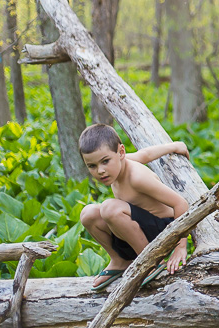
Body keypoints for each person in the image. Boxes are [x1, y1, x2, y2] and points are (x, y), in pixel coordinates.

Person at [79, 124, 191, 291]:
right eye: (92, 166)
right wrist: (173, 146)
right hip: (139, 232)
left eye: (105, 161)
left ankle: (150, 262)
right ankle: (120, 260)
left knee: (110, 208)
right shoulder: (119, 163)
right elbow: (145, 154)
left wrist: (181, 246)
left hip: (163, 231)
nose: (100, 171)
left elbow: (181, 203)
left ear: (121, 152)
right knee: (88, 213)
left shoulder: (137, 178)